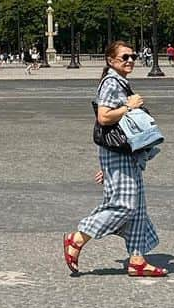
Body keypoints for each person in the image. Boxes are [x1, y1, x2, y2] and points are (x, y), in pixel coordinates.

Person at [62, 39, 168, 278]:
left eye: (132, 56)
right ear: (111, 60)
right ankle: (77, 238)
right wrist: (129, 107)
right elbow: (104, 117)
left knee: (138, 209)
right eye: (125, 57)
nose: (131, 60)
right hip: (119, 154)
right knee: (124, 205)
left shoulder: (120, 82)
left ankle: (138, 260)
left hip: (126, 154)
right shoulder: (111, 82)